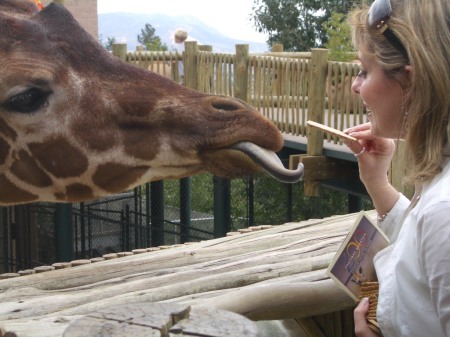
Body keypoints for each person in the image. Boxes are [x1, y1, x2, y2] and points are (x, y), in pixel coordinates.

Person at [343, 0, 450, 336]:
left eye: (364, 71)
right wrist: (378, 183)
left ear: (411, 84)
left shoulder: (444, 211)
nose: (355, 86)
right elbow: (422, 252)